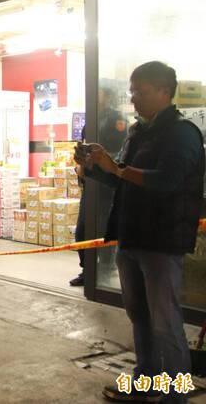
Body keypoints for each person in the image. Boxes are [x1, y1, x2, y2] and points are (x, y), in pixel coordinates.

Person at [75, 62, 204, 403]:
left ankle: (175, 394)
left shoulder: (182, 133)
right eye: (132, 91)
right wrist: (92, 168)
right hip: (131, 237)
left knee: (166, 322)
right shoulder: (138, 131)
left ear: (164, 91)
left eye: (140, 91)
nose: (133, 98)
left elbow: (167, 181)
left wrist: (117, 167)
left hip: (161, 241)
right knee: (139, 316)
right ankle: (145, 381)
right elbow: (122, 177)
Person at [70, 92, 128, 287]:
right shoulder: (92, 118)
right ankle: (87, 269)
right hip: (90, 181)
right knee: (83, 230)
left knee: (104, 228)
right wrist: (81, 165)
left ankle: (104, 269)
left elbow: (120, 153)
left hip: (107, 182)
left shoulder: (116, 118)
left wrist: (103, 164)